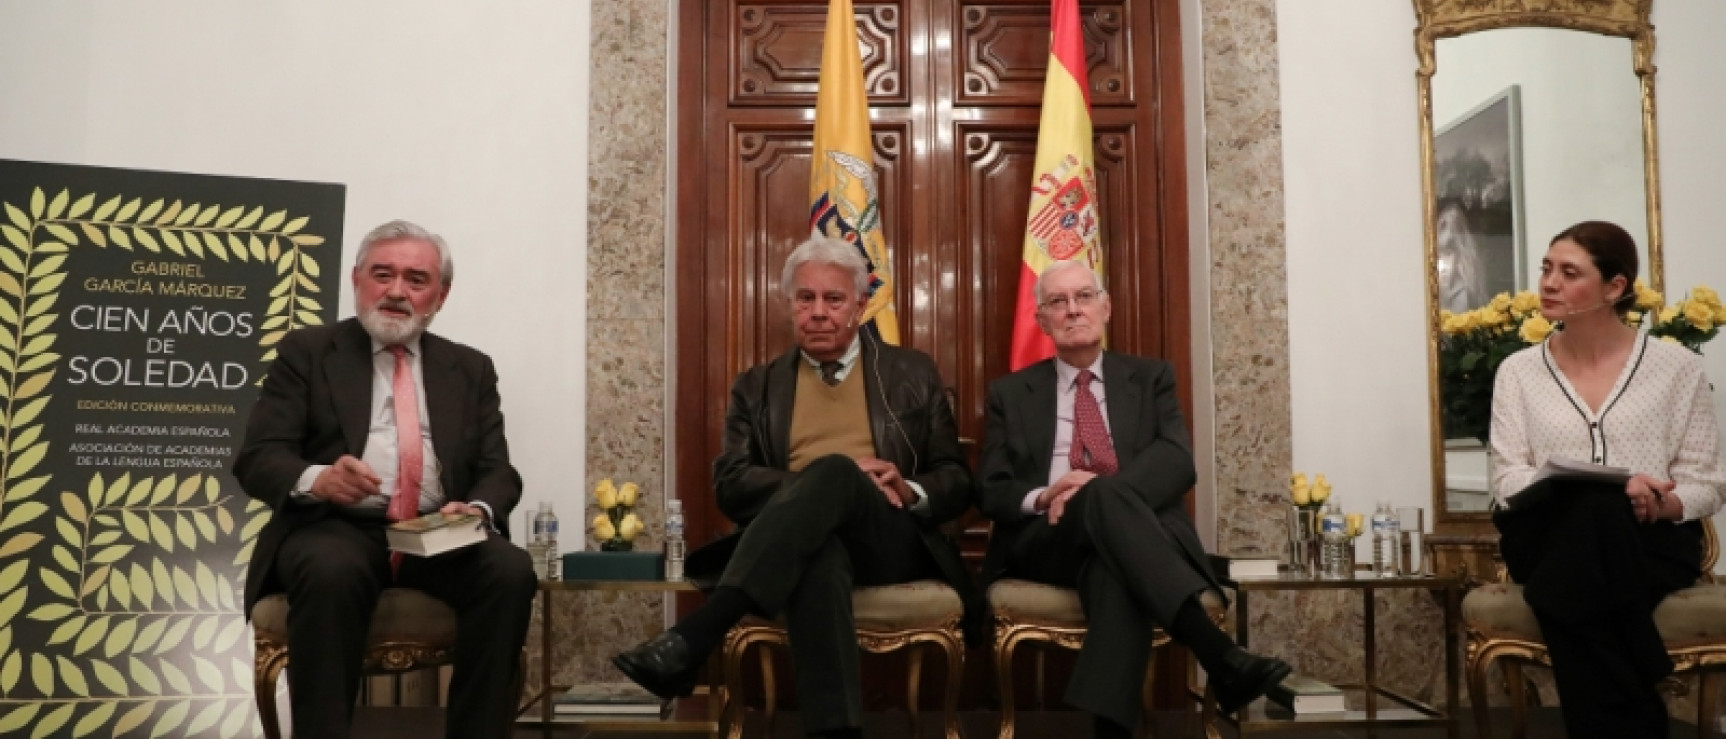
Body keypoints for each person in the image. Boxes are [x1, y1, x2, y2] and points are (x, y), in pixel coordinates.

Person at [613, 236, 977, 739]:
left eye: (834, 300)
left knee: (835, 473)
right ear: (790, 306)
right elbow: (731, 485)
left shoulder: (912, 373)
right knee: (820, 543)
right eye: (806, 299)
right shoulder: (756, 387)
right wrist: (825, 482)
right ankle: (836, 731)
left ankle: (698, 633)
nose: (819, 312)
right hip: (798, 543)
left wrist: (910, 488)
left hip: (888, 535)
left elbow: (956, 480)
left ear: (860, 306)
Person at [233, 220, 537, 739]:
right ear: (357, 279)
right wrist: (319, 478)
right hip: (336, 526)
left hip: (435, 531)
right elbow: (259, 457)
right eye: (383, 275)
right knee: (331, 569)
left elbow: (497, 469)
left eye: (416, 280)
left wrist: (478, 509)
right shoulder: (306, 353)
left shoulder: (470, 368)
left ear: (439, 295)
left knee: (508, 571)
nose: (397, 292)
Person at [976, 260, 1292, 737]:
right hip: (1048, 539)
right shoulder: (1010, 393)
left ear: (1106, 307)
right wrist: (1045, 496)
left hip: (1130, 538)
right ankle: (1217, 654)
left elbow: (1177, 462)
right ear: (1042, 320)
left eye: (1084, 297)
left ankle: (1113, 729)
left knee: (1111, 561)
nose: (1073, 310)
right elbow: (991, 489)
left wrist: (1101, 492)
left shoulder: (1150, 379)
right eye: (1058, 302)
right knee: (1101, 506)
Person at [1489, 220, 1726, 737]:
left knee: (1594, 535)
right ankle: (1644, 671)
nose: (1549, 282)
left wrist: (1653, 504)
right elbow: (1508, 479)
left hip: (1651, 539)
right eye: (1547, 269)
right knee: (1592, 512)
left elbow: (1707, 483)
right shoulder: (1518, 371)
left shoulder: (1676, 367)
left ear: (1615, 288)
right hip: (1543, 535)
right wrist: (1613, 487)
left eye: (1569, 272)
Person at [1436, 199, 1488, 313]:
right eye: (1438, 255)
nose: (1442, 265)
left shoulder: (1464, 293)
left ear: (1460, 255)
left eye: (1448, 254)